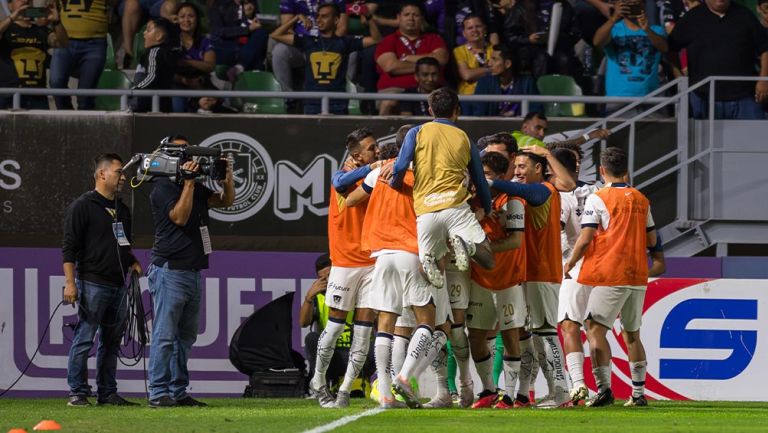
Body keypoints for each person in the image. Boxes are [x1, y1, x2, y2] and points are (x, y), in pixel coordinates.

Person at [348, 128, 451, 409]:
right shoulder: (425, 177)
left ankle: (385, 393)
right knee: (427, 321)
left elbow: (350, 199)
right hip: (410, 252)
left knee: (386, 322)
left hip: (382, 255)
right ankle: (406, 377)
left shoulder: (379, 173)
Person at [564, 146, 656, 407]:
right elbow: (652, 239)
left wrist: (570, 263)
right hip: (637, 275)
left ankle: (604, 389)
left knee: (594, 329)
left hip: (610, 273)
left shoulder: (598, 198)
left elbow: (585, 238)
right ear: (626, 170)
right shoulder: (641, 198)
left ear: (602, 171)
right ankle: (638, 394)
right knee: (632, 333)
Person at [146, 135, 234, 408]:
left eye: (188, 151)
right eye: (181, 151)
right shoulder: (161, 186)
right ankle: (159, 392)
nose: (186, 156)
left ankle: (178, 391)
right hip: (170, 269)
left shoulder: (192, 185)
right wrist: (187, 183)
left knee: (184, 338)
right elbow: (179, 217)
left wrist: (227, 175)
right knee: (164, 335)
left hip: (192, 270)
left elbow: (225, 201)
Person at [489, 149, 575, 408]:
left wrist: (489, 181)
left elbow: (567, 183)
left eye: (523, 166)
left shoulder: (545, 190)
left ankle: (562, 393)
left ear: (539, 169)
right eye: (515, 167)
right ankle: (532, 393)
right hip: (527, 274)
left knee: (547, 334)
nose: (517, 172)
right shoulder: (525, 195)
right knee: (531, 336)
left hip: (542, 274)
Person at [391, 87, 495, 289]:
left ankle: (429, 264)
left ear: (430, 110)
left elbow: (401, 165)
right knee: (488, 260)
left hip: (426, 211)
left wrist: (395, 183)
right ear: (457, 110)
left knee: (428, 270)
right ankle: (469, 247)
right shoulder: (464, 138)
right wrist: (487, 208)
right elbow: (479, 180)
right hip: (456, 207)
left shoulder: (416, 132)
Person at [309, 127, 383, 408]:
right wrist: (372, 169)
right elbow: (340, 180)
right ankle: (317, 381)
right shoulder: (343, 178)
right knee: (335, 326)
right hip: (344, 262)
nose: (376, 152)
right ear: (355, 155)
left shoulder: (373, 177)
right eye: (371, 148)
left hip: (371, 262)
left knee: (364, 330)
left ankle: (344, 390)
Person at [62, 153, 142, 407]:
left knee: (111, 342)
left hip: (119, 284)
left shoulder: (123, 210)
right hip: (92, 282)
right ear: (101, 174)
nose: (124, 176)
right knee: (85, 338)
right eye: (119, 171)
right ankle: (78, 391)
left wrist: (132, 262)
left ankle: (107, 393)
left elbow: (123, 244)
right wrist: (71, 283)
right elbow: (69, 248)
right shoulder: (82, 206)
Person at [466, 151, 527, 409]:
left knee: (511, 338)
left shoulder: (512, 202)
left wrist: (481, 246)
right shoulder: (472, 202)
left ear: (502, 177)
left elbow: (515, 240)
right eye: (480, 174)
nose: (481, 179)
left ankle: (510, 395)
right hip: (480, 279)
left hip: (508, 280)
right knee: (476, 338)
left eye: (488, 175)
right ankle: (489, 390)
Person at [270, 2, 380, 114]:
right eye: (317, 16)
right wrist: (296, 18)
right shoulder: (308, 41)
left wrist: (368, 17)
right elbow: (275, 35)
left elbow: (376, 39)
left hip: (338, 102)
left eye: (324, 16)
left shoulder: (345, 42)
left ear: (336, 20)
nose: (318, 20)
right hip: (312, 102)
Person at [668, 0, 768, 119]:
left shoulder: (745, 15)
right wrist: (679, 74)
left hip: (745, 97)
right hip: (704, 98)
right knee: (705, 138)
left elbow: (765, 49)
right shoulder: (691, 18)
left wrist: (764, 79)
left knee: (754, 137)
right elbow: (670, 48)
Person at [374, 2, 449, 115]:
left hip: (431, 88)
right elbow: (391, 67)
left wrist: (408, 58)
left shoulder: (434, 39)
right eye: (407, 14)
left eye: (415, 15)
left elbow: (441, 59)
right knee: (388, 102)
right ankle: (383, 131)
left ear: (422, 18)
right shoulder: (388, 41)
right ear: (399, 17)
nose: (411, 18)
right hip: (395, 89)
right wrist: (426, 66)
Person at [594, 0, 668, 114]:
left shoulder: (656, 30)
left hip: (650, 98)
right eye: (627, 4)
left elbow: (664, 48)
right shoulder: (613, 29)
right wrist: (614, 18)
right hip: (618, 99)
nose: (631, 7)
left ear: (643, 6)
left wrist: (646, 29)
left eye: (635, 4)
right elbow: (597, 42)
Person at [300, 253, 355, 391]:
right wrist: (308, 297)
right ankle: (319, 386)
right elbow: (303, 323)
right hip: (331, 354)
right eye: (322, 278)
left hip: (356, 352)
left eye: (330, 275)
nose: (327, 281)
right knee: (311, 338)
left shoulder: (355, 289)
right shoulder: (319, 297)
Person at [0, 0, 67, 109]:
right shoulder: (6, 29)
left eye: (29, 1)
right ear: (10, 5)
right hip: (9, 94)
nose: (25, 1)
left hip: (37, 95)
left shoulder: (41, 30)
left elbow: (62, 43)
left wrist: (57, 22)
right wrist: (13, 17)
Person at [272, 0, 348, 96]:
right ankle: (287, 98)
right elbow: (287, 30)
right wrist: (305, 42)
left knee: (351, 53)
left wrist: (325, 44)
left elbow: (342, 28)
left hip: (329, 46)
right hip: (302, 46)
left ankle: (346, 96)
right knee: (280, 50)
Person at [497, 0, 582, 77]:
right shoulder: (521, 6)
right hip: (529, 51)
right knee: (542, 58)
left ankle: (563, 91)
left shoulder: (564, 6)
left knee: (564, 60)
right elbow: (510, 35)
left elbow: (575, 33)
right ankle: (538, 92)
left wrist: (559, 38)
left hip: (558, 49)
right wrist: (528, 39)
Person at [49, 0, 107, 110]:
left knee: (85, 97)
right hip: (64, 39)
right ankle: (66, 118)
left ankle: (84, 125)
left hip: (94, 42)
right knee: (56, 82)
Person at [465, 44, 538, 117]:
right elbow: (479, 114)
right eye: (490, 59)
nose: (489, 63)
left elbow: (535, 111)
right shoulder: (484, 83)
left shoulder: (527, 82)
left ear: (508, 64)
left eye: (494, 59)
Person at [208, 0, 268, 82]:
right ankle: (253, 69)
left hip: (247, 45)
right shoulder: (218, 5)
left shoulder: (251, 2)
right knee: (256, 57)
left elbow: (256, 25)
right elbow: (219, 32)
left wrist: (248, 18)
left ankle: (239, 68)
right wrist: (247, 29)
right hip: (228, 47)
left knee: (262, 33)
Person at [130, 17, 179, 113]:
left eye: (148, 30)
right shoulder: (166, 53)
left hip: (149, 105)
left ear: (159, 36)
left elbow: (152, 76)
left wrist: (134, 90)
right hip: (163, 104)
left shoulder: (154, 52)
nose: (144, 33)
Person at [173, 2, 215, 113]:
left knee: (216, 101)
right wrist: (186, 81)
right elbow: (166, 69)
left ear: (197, 20)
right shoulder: (171, 41)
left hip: (200, 83)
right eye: (182, 17)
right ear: (176, 19)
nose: (186, 20)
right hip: (178, 82)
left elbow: (210, 66)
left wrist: (187, 62)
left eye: (191, 16)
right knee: (178, 107)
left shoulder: (205, 41)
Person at [120, 0, 177, 68]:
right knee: (131, 4)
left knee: (170, 6)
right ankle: (128, 53)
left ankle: (163, 54)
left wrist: (165, 14)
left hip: (158, 2)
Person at [453, 15, 492, 98]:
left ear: (484, 29)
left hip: (492, 94)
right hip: (468, 96)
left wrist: (476, 72)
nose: (475, 30)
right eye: (470, 28)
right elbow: (467, 75)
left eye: (478, 26)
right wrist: (490, 70)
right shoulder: (459, 51)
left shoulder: (494, 49)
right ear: (464, 33)